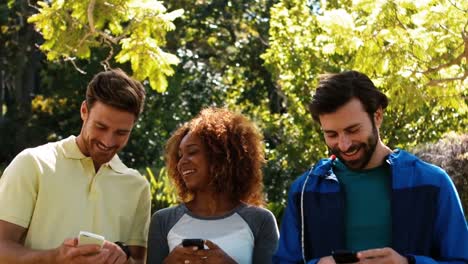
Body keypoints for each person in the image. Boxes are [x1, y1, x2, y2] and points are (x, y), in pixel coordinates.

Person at [273, 71, 468, 264]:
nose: (344, 145)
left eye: (353, 130)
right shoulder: (304, 190)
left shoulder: (433, 183)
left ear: (378, 116)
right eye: (332, 134)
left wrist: (407, 263)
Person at [0, 68, 151, 264]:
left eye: (121, 133)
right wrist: (54, 258)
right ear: (84, 111)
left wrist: (123, 258)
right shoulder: (33, 164)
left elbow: (139, 260)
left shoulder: (137, 187)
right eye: (101, 127)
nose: (108, 140)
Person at [147, 107, 279, 264]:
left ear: (221, 156)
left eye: (193, 152)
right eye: (180, 155)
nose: (182, 162)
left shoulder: (260, 220)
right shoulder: (163, 220)